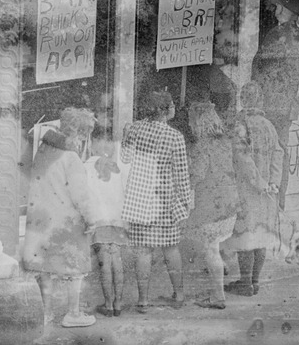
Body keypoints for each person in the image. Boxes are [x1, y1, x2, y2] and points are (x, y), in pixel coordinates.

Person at [20, 107, 104, 329]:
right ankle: (73, 313)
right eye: (87, 133)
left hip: (43, 217)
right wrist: (91, 219)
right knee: (75, 267)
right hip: (67, 220)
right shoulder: (71, 158)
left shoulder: (44, 148)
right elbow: (81, 195)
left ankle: (46, 313)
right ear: (79, 133)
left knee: (46, 267)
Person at [121, 91, 194, 312]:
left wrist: (125, 136)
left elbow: (125, 159)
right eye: (172, 104)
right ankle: (179, 295)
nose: (174, 107)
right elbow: (182, 175)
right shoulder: (174, 137)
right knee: (170, 248)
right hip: (164, 199)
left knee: (143, 250)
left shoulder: (134, 128)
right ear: (164, 109)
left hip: (140, 199)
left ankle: (143, 300)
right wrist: (186, 202)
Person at [251, 0, 299, 205]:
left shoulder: (278, 35)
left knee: (267, 153)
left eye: (279, 5)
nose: (276, 7)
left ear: (285, 10)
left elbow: (263, 66)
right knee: (280, 152)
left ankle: (268, 201)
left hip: (270, 103)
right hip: (286, 105)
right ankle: (278, 200)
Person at [226, 81, 284, 297]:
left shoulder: (241, 126)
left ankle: (245, 282)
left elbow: (243, 161)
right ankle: (255, 281)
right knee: (261, 234)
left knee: (246, 235)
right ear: (260, 100)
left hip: (249, 190)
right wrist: (273, 183)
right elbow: (279, 154)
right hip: (268, 191)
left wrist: (259, 184)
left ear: (243, 99)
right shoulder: (268, 125)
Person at [182, 102, 240, 310]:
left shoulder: (202, 146)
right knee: (218, 242)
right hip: (229, 200)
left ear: (198, 122)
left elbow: (197, 174)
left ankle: (218, 297)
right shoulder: (226, 142)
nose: (189, 124)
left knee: (210, 248)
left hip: (211, 203)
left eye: (190, 120)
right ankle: (221, 269)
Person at [84, 126, 130, 317]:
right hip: (117, 220)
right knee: (116, 260)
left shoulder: (86, 166)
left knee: (104, 262)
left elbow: (83, 195)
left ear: (92, 144)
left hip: (98, 219)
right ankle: (118, 303)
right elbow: (126, 192)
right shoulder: (118, 167)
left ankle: (108, 304)